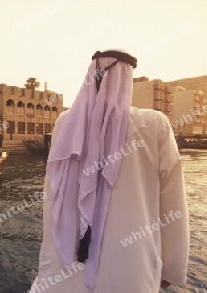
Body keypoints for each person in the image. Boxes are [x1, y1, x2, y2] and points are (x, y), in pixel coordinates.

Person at [30, 50, 189, 292]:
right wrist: (172, 267)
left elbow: (52, 194)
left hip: (66, 264)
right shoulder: (155, 123)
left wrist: (51, 248)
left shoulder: (65, 122)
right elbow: (173, 200)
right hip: (132, 263)